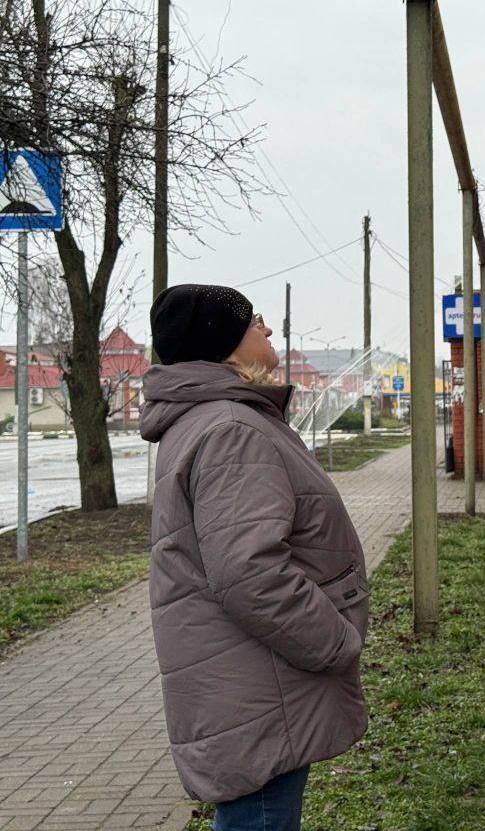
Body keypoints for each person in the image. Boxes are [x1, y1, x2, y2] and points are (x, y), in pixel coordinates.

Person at [141, 284, 369, 831]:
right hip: (259, 683)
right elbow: (249, 570)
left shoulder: (212, 419)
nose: (267, 329)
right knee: (260, 817)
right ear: (225, 343)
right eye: (254, 320)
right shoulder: (230, 429)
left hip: (246, 676)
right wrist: (334, 640)